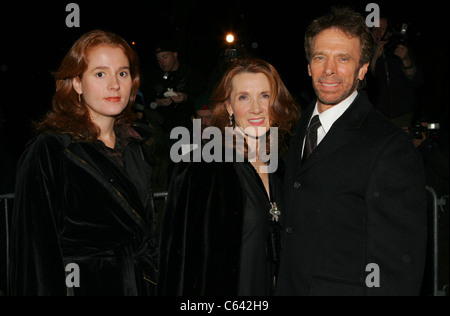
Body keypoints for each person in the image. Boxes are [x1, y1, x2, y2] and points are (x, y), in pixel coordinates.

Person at [277, 7, 428, 296]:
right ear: (309, 65)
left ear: (362, 69)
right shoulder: (296, 130)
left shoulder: (389, 146)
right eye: (320, 57)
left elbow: (397, 267)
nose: (329, 69)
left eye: (343, 58)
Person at [9, 30, 158, 296]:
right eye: (100, 74)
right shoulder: (52, 150)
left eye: (122, 73)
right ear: (77, 83)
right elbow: (34, 254)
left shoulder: (136, 147)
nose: (114, 84)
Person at [157, 57, 299, 296]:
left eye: (265, 95)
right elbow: (178, 264)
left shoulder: (286, 167)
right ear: (229, 107)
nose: (256, 108)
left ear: (276, 103)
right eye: (244, 97)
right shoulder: (202, 166)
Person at [367, 16, 424, 127]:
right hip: (377, 117)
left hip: (403, 117)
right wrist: (374, 59)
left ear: (389, 32)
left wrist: (406, 59)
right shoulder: (364, 52)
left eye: (382, 29)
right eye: (375, 29)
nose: (378, 33)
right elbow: (366, 85)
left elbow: (417, 82)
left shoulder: (402, 49)